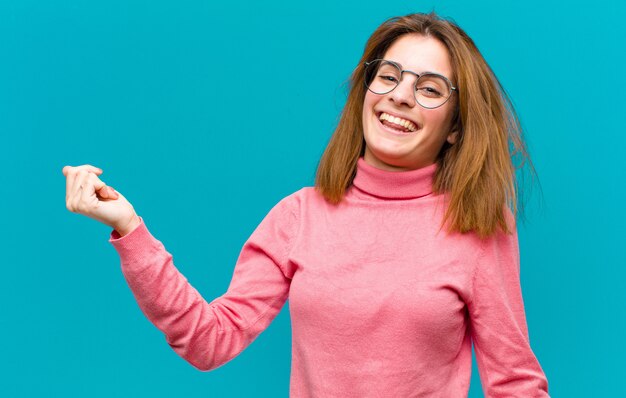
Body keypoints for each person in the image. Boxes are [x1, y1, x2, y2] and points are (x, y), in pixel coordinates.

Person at [63, 11, 549, 397]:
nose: (400, 97)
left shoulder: (477, 226)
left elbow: (515, 382)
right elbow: (210, 340)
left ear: (456, 127)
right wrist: (130, 229)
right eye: (389, 76)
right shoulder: (299, 216)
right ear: (366, 91)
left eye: (429, 89)